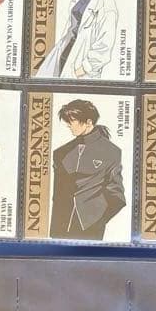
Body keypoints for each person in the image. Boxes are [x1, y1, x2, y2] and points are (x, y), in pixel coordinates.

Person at [50, 100, 125, 240]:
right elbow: (57, 193)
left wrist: (99, 220)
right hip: (60, 226)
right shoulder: (60, 153)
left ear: (88, 122)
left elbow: (117, 196)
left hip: (91, 227)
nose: (68, 124)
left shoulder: (111, 152)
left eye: (72, 120)